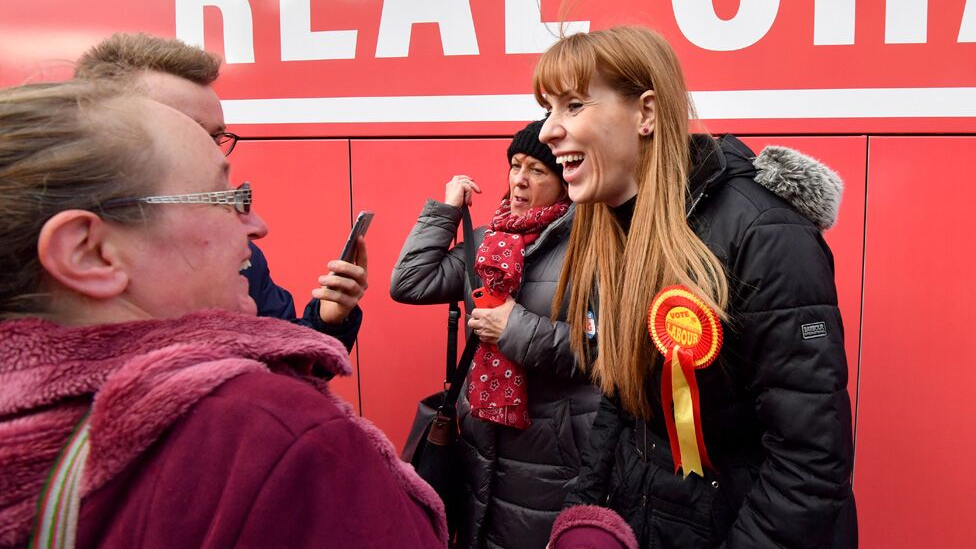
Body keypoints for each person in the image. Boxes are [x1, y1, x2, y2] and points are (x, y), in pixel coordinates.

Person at [0, 81, 445, 548]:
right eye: (223, 196)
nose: (257, 225)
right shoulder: (273, 434)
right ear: (90, 253)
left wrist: (328, 320)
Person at [533, 27, 857, 548]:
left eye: (573, 105)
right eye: (547, 108)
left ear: (647, 113)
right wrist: (581, 517)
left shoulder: (764, 231)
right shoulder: (612, 224)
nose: (548, 131)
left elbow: (809, 464)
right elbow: (624, 400)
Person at [74, 33, 366, 351]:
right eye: (192, 132)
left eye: (216, 137)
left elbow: (283, 360)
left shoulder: (241, 257)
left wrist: (329, 321)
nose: (256, 228)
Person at [390, 120, 602, 549]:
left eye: (537, 171)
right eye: (514, 165)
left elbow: (604, 352)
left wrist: (514, 328)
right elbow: (410, 282)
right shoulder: (487, 242)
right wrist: (446, 211)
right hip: (480, 443)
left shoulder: (592, 245)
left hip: (550, 457)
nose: (519, 180)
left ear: (564, 180)